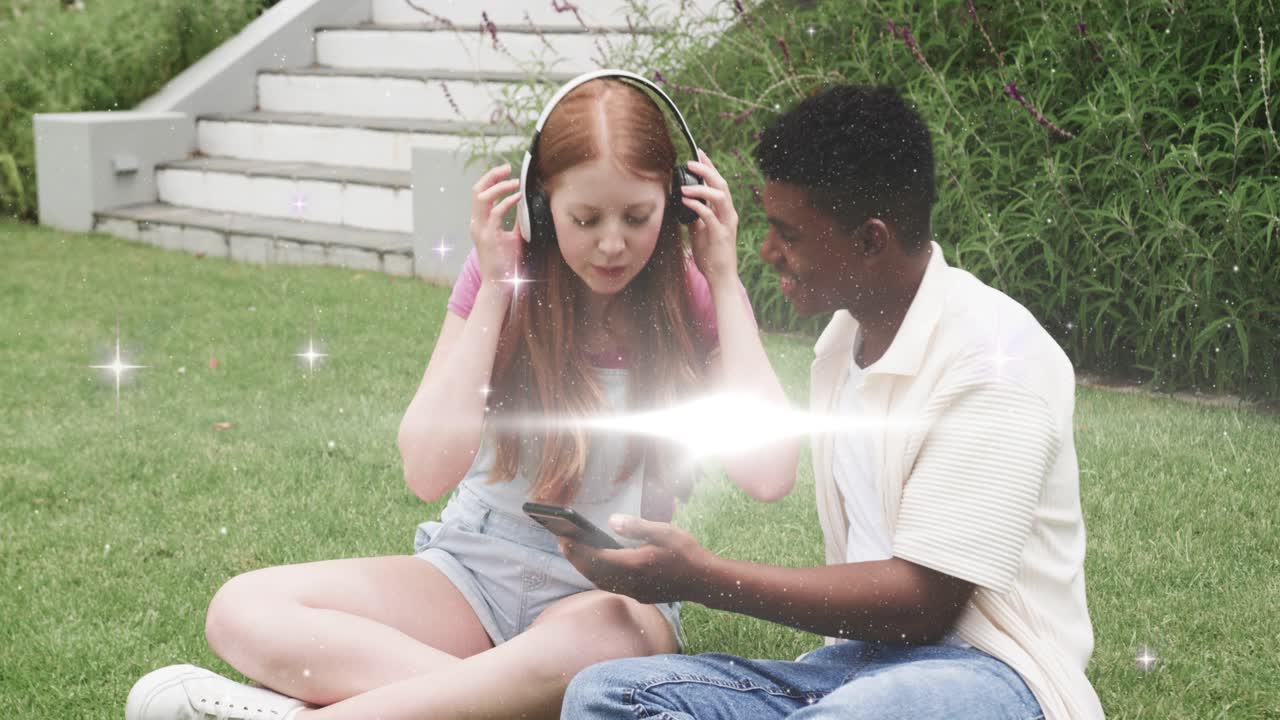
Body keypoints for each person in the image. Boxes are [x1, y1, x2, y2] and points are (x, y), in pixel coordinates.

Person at [123, 70, 799, 720]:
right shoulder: (503, 277)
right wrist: (499, 290)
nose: (613, 244)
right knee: (241, 609)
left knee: (600, 641)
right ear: (541, 208)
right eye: (585, 218)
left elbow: (770, 475)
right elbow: (426, 470)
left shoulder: (689, 296)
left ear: (677, 202)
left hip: (610, 596)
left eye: (638, 215)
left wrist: (724, 277)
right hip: (473, 567)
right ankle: (508, 699)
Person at [560, 84, 1105, 719]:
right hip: (856, 666)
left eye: (787, 233)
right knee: (609, 695)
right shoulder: (843, 343)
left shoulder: (995, 359)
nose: (767, 251)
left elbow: (923, 603)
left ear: (871, 240)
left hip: (997, 676)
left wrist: (701, 577)